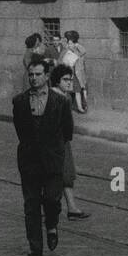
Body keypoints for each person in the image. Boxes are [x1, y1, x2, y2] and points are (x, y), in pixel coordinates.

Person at [11, 57, 72, 256]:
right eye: (31, 75)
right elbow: (20, 130)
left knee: (52, 199)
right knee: (31, 204)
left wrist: (54, 148)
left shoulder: (61, 102)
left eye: (38, 74)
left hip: (53, 160)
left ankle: (52, 225)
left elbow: (67, 131)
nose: (34, 78)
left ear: (46, 76)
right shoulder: (19, 101)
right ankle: (35, 246)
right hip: (29, 160)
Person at [49, 64, 89, 219]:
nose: (69, 83)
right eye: (65, 80)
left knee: (66, 175)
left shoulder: (64, 97)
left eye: (71, 80)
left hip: (63, 142)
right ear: (57, 80)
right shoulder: (54, 97)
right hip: (54, 144)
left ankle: (72, 208)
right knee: (54, 176)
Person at [59, 31, 89, 113]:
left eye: (71, 43)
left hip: (79, 74)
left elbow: (83, 51)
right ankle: (79, 107)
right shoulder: (66, 50)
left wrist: (76, 46)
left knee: (81, 90)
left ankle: (83, 105)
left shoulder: (78, 50)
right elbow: (62, 60)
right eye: (69, 43)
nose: (69, 45)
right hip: (71, 73)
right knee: (74, 91)